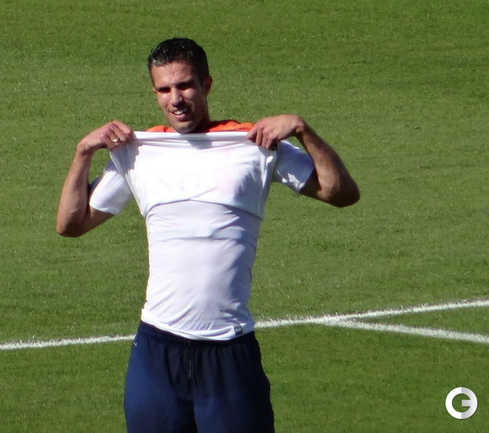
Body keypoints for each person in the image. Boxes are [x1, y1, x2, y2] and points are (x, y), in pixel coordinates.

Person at [57, 38, 359, 433]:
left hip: (230, 352)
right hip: (157, 352)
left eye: (185, 86)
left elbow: (342, 194)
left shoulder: (254, 145)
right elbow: (71, 224)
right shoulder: (140, 152)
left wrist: (303, 130)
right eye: (164, 89)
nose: (175, 99)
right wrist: (83, 152)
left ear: (207, 85)